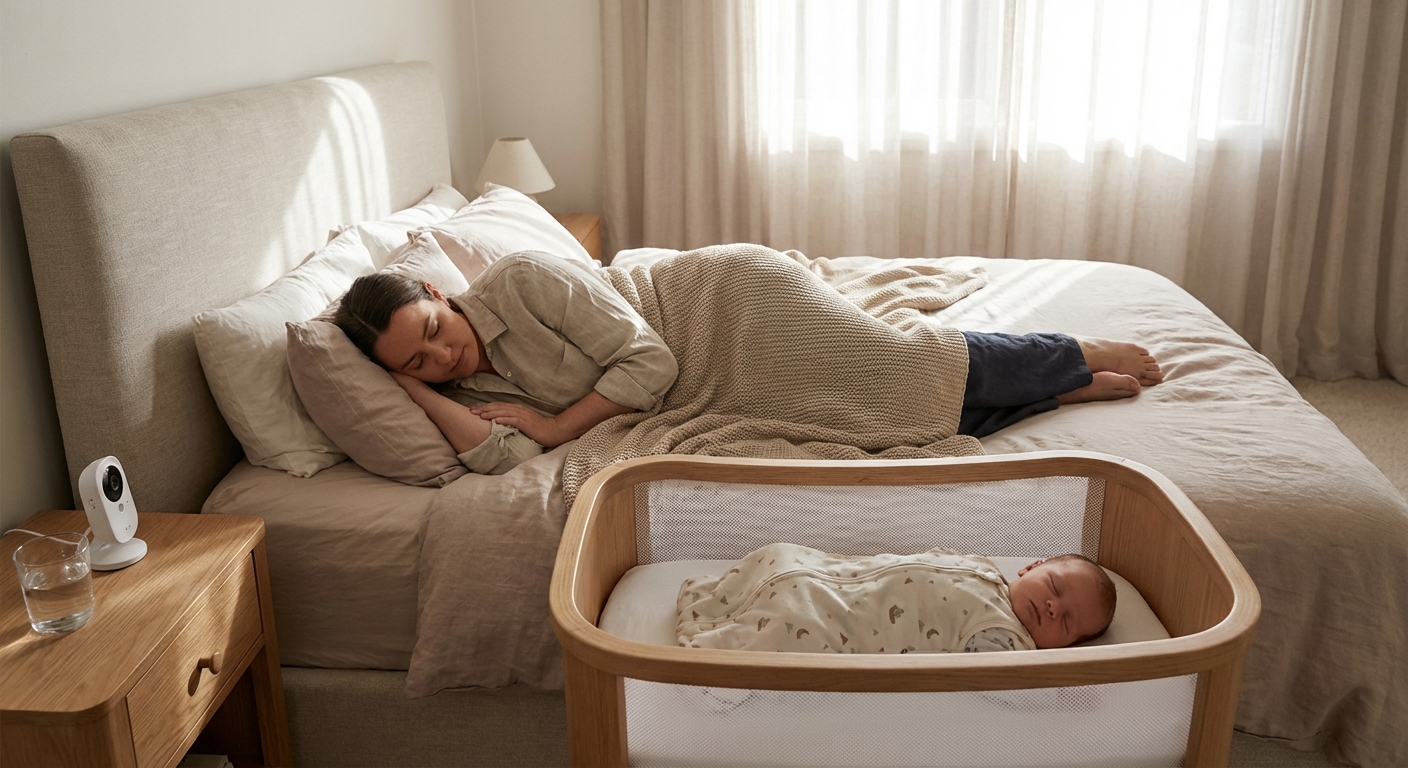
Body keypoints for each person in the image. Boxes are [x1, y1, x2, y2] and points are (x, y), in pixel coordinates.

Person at [334, 249, 1163, 475]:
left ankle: (1069, 352)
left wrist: (557, 425)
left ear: (441, 293)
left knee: (893, 369)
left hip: (725, 309)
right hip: (703, 384)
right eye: (422, 364)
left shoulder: (521, 279)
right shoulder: (464, 384)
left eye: (432, 330)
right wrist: (417, 391)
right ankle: (1063, 392)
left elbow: (647, 362)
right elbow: (496, 457)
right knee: (864, 424)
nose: (447, 355)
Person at [675, 543, 1117, 653]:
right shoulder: (985, 567)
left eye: (1068, 623)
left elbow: (1020, 691)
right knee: (783, 558)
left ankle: (716, 663)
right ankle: (722, 598)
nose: (1054, 607)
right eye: (1055, 588)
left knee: (790, 630)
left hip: (841, 619)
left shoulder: (1006, 642)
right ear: (1031, 567)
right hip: (841, 574)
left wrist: (1064, 683)